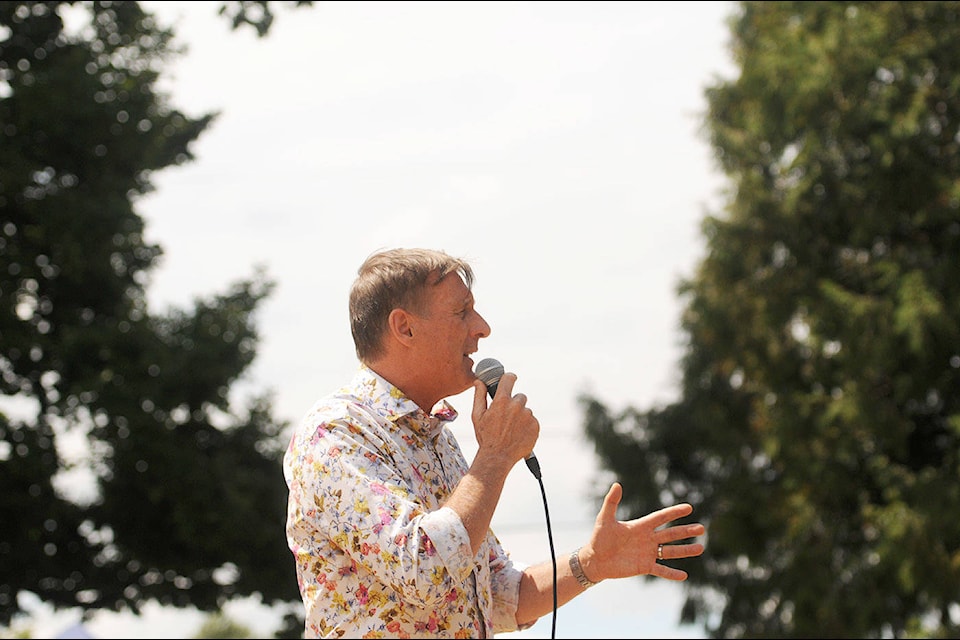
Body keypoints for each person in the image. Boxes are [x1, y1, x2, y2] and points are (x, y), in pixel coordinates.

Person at [282, 247, 706, 638]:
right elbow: (424, 568)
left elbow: (501, 596)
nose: (482, 328)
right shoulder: (335, 433)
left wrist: (591, 564)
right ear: (404, 327)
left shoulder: (438, 440)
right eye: (462, 312)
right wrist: (497, 455)